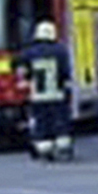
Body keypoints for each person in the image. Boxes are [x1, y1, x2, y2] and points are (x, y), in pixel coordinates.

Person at [17, 20, 74, 163]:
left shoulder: (29, 52)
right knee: (60, 122)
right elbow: (65, 72)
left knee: (42, 123)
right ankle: (63, 148)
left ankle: (44, 150)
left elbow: (22, 72)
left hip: (38, 95)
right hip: (57, 94)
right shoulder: (61, 50)